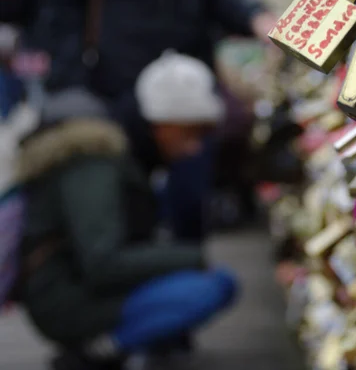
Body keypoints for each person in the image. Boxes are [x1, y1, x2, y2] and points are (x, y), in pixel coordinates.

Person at [1, 0, 277, 239]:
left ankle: (188, 270)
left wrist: (255, 17)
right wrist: (75, 82)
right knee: (127, 200)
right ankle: (147, 269)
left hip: (188, 94)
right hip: (118, 91)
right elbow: (59, 9)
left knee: (190, 198)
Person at [17, 53, 236, 370]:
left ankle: (119, 342)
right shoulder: (95, 164)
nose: (195, 148)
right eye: (191, 133)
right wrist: (190, 257)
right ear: (162, 125)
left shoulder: (122, 154)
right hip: (65, 299)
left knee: (217, 283)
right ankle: (99, 350)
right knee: (208, 287)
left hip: (75, 287)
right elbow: (102, 262)